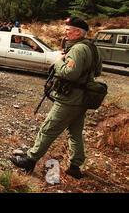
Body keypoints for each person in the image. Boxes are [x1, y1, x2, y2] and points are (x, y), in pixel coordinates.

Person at [10, 17, 102, 179]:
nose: (65, 32)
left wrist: (59, 62)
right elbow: (97, 71)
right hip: (81, 99)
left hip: (70, 100)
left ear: (78, 32)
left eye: (68, 30)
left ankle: (30, 159)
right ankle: (75, 166)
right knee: (75, 133)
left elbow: (70, 73)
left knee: (48, 129)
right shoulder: (91, 47)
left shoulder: (78, 49)